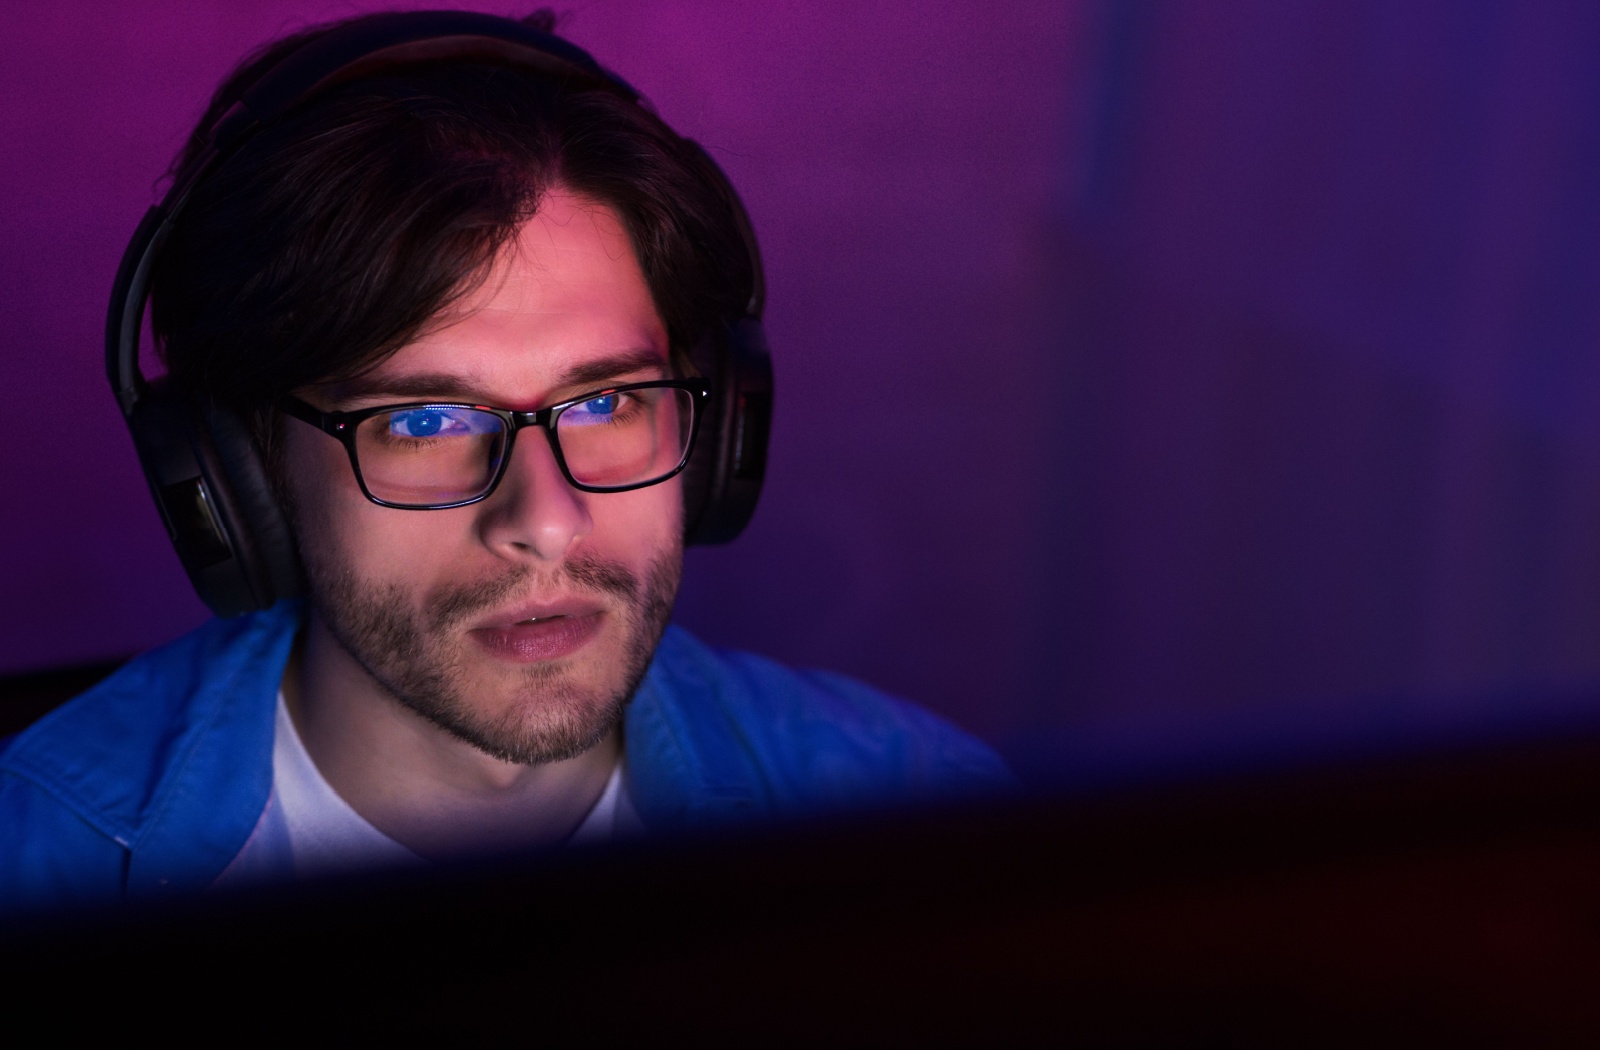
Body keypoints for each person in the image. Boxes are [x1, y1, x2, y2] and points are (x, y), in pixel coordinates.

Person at [0, 9, 1012, 914]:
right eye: (429, 423)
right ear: (239, 476)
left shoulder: (928, 823)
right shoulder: (34, 865)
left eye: (608, 402)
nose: (547, 519)